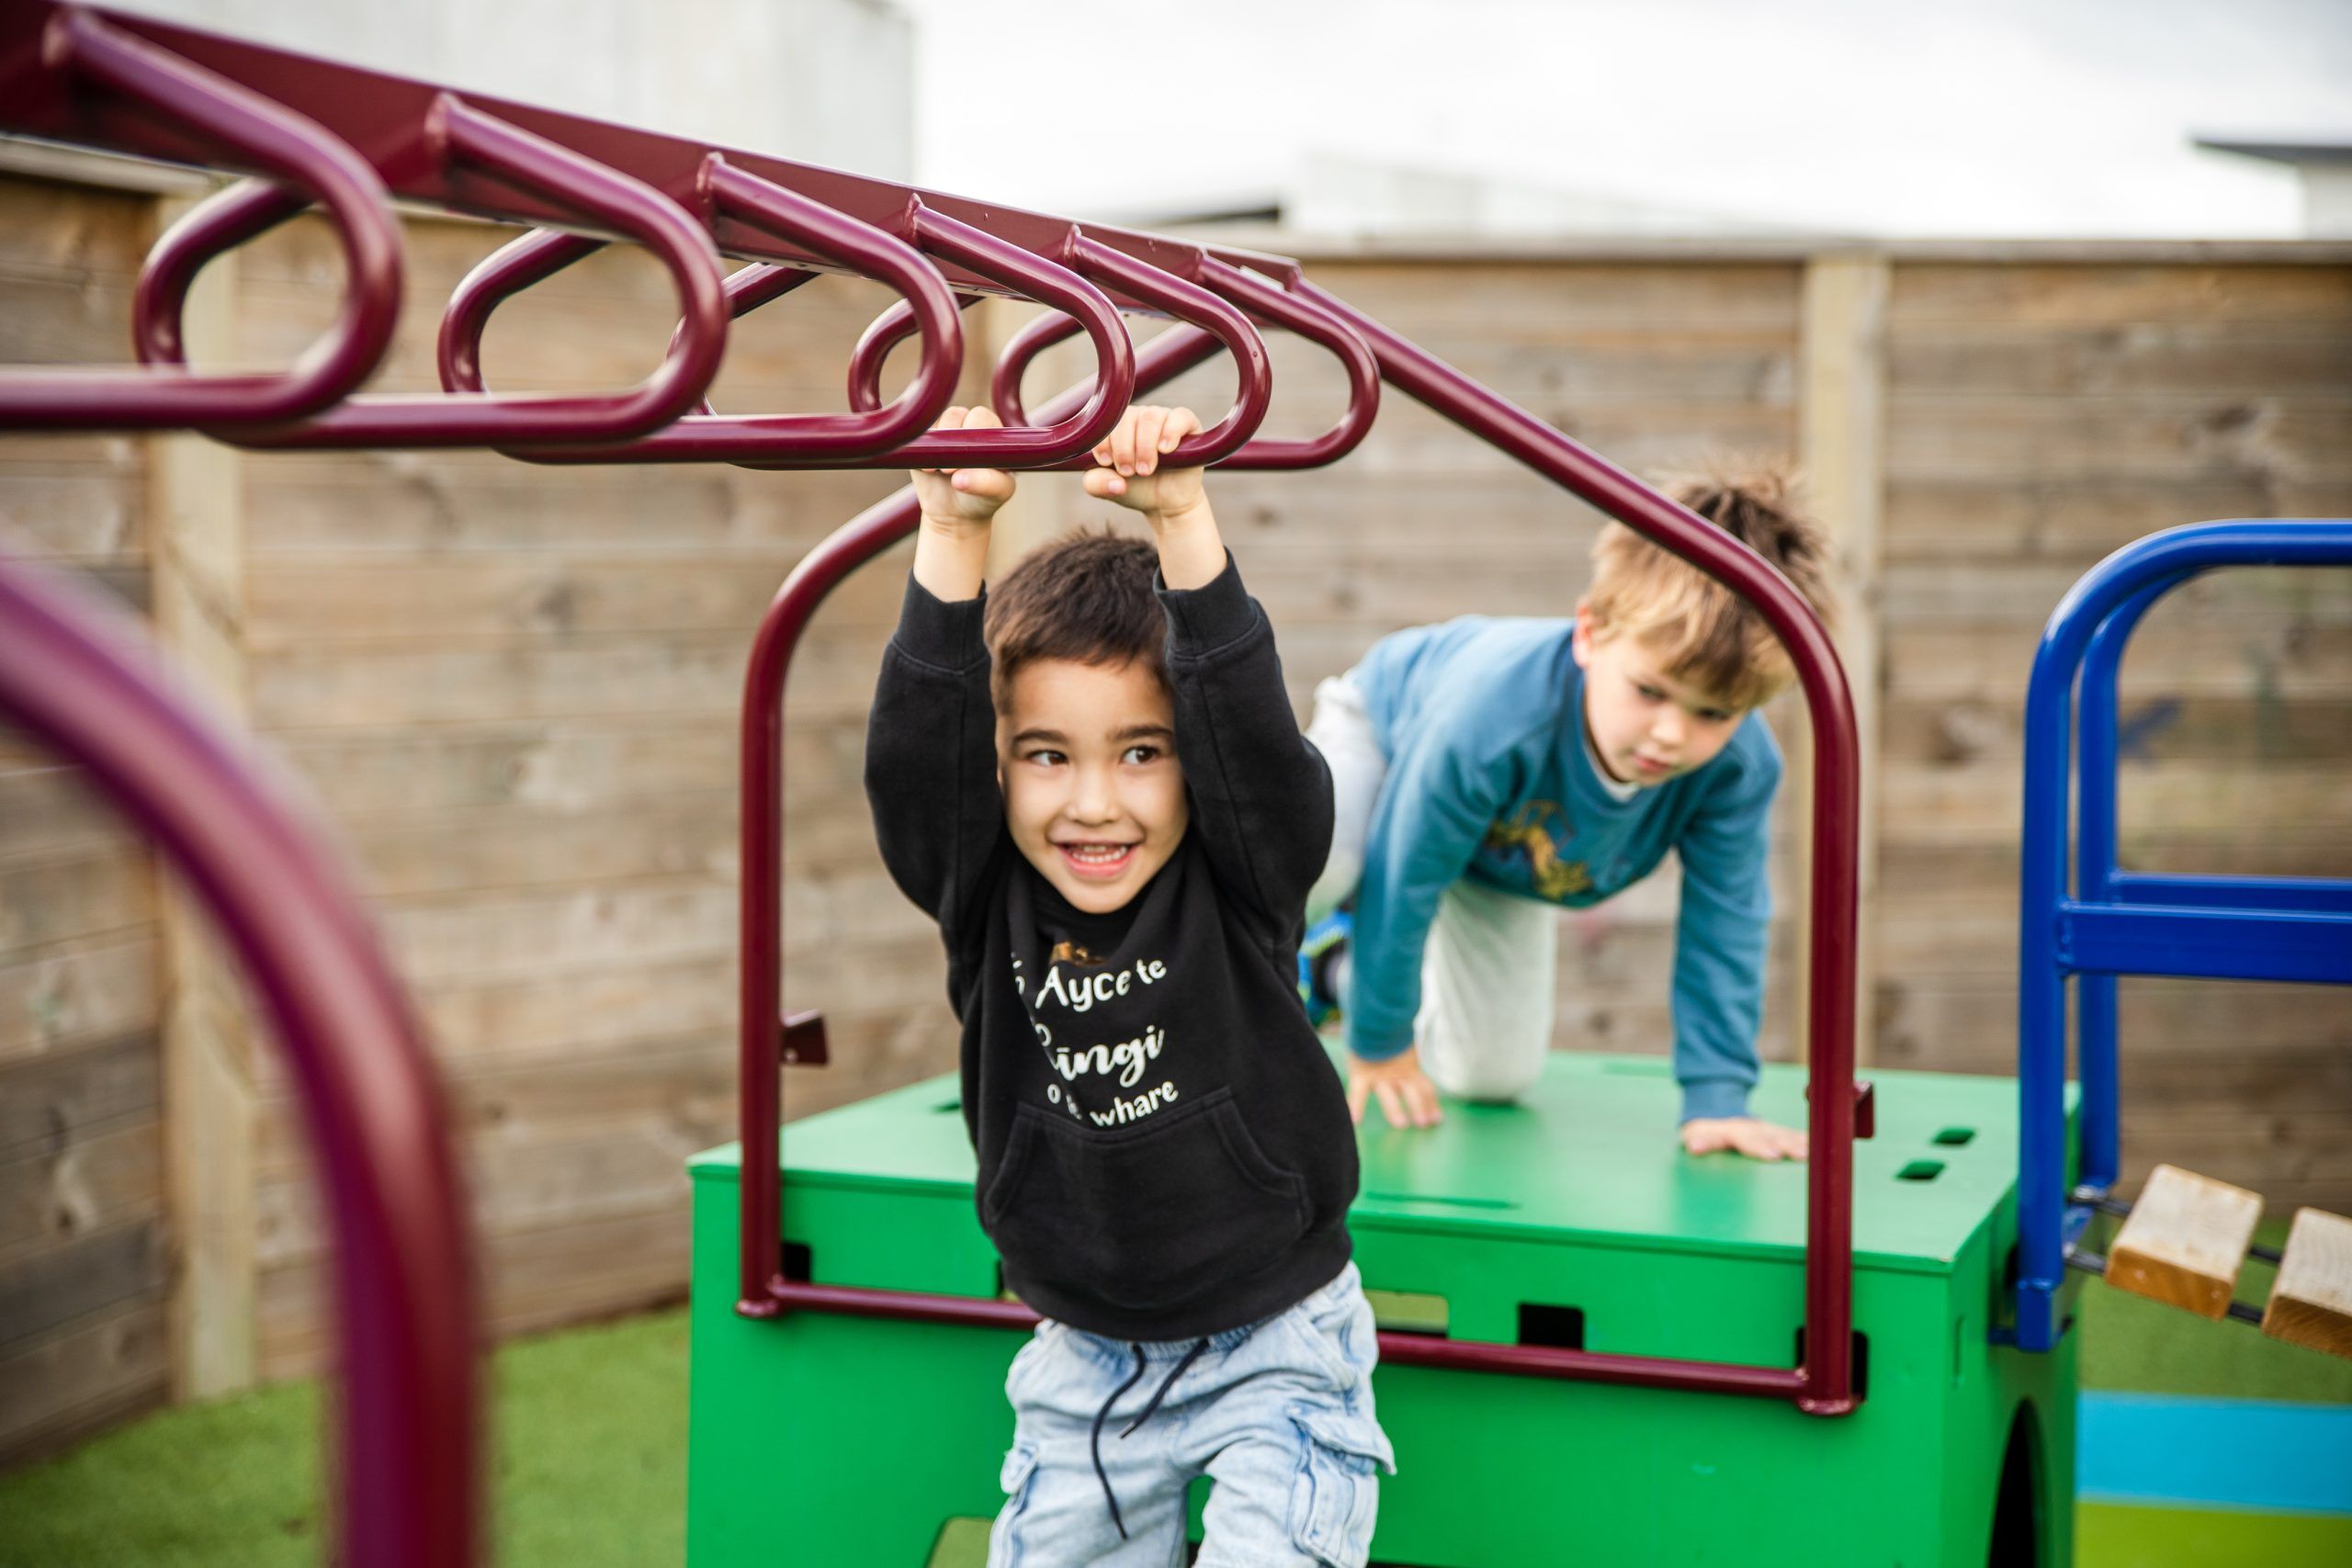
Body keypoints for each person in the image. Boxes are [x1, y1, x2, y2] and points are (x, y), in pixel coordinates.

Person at [865, 403, 1394, 1567]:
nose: (1093, 803)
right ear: (997, 768)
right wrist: (951, 533)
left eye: (1139, 753)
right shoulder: (981, 890)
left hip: (1278, 1339)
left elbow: (1261, 758)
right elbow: (916, 763)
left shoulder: (1239, 880)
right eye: (1047, 755)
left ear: (1190, 767)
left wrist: (1182, 518)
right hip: (1088, 1352)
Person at [1301, 466, 1837, 1160]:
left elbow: (1727, 919)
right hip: (1386, 742)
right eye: (1651, 691)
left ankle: (1333, 967)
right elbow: (1406, 868)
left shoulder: (1735, 771)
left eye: (1715, 712)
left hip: (1499, 858)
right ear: (1590, 632)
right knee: (1325, 862)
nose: (1673, 733)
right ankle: (1268, 969)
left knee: (1492, 1074)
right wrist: (1379, 1042)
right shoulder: (1490, 718)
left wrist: (1718, 1097)